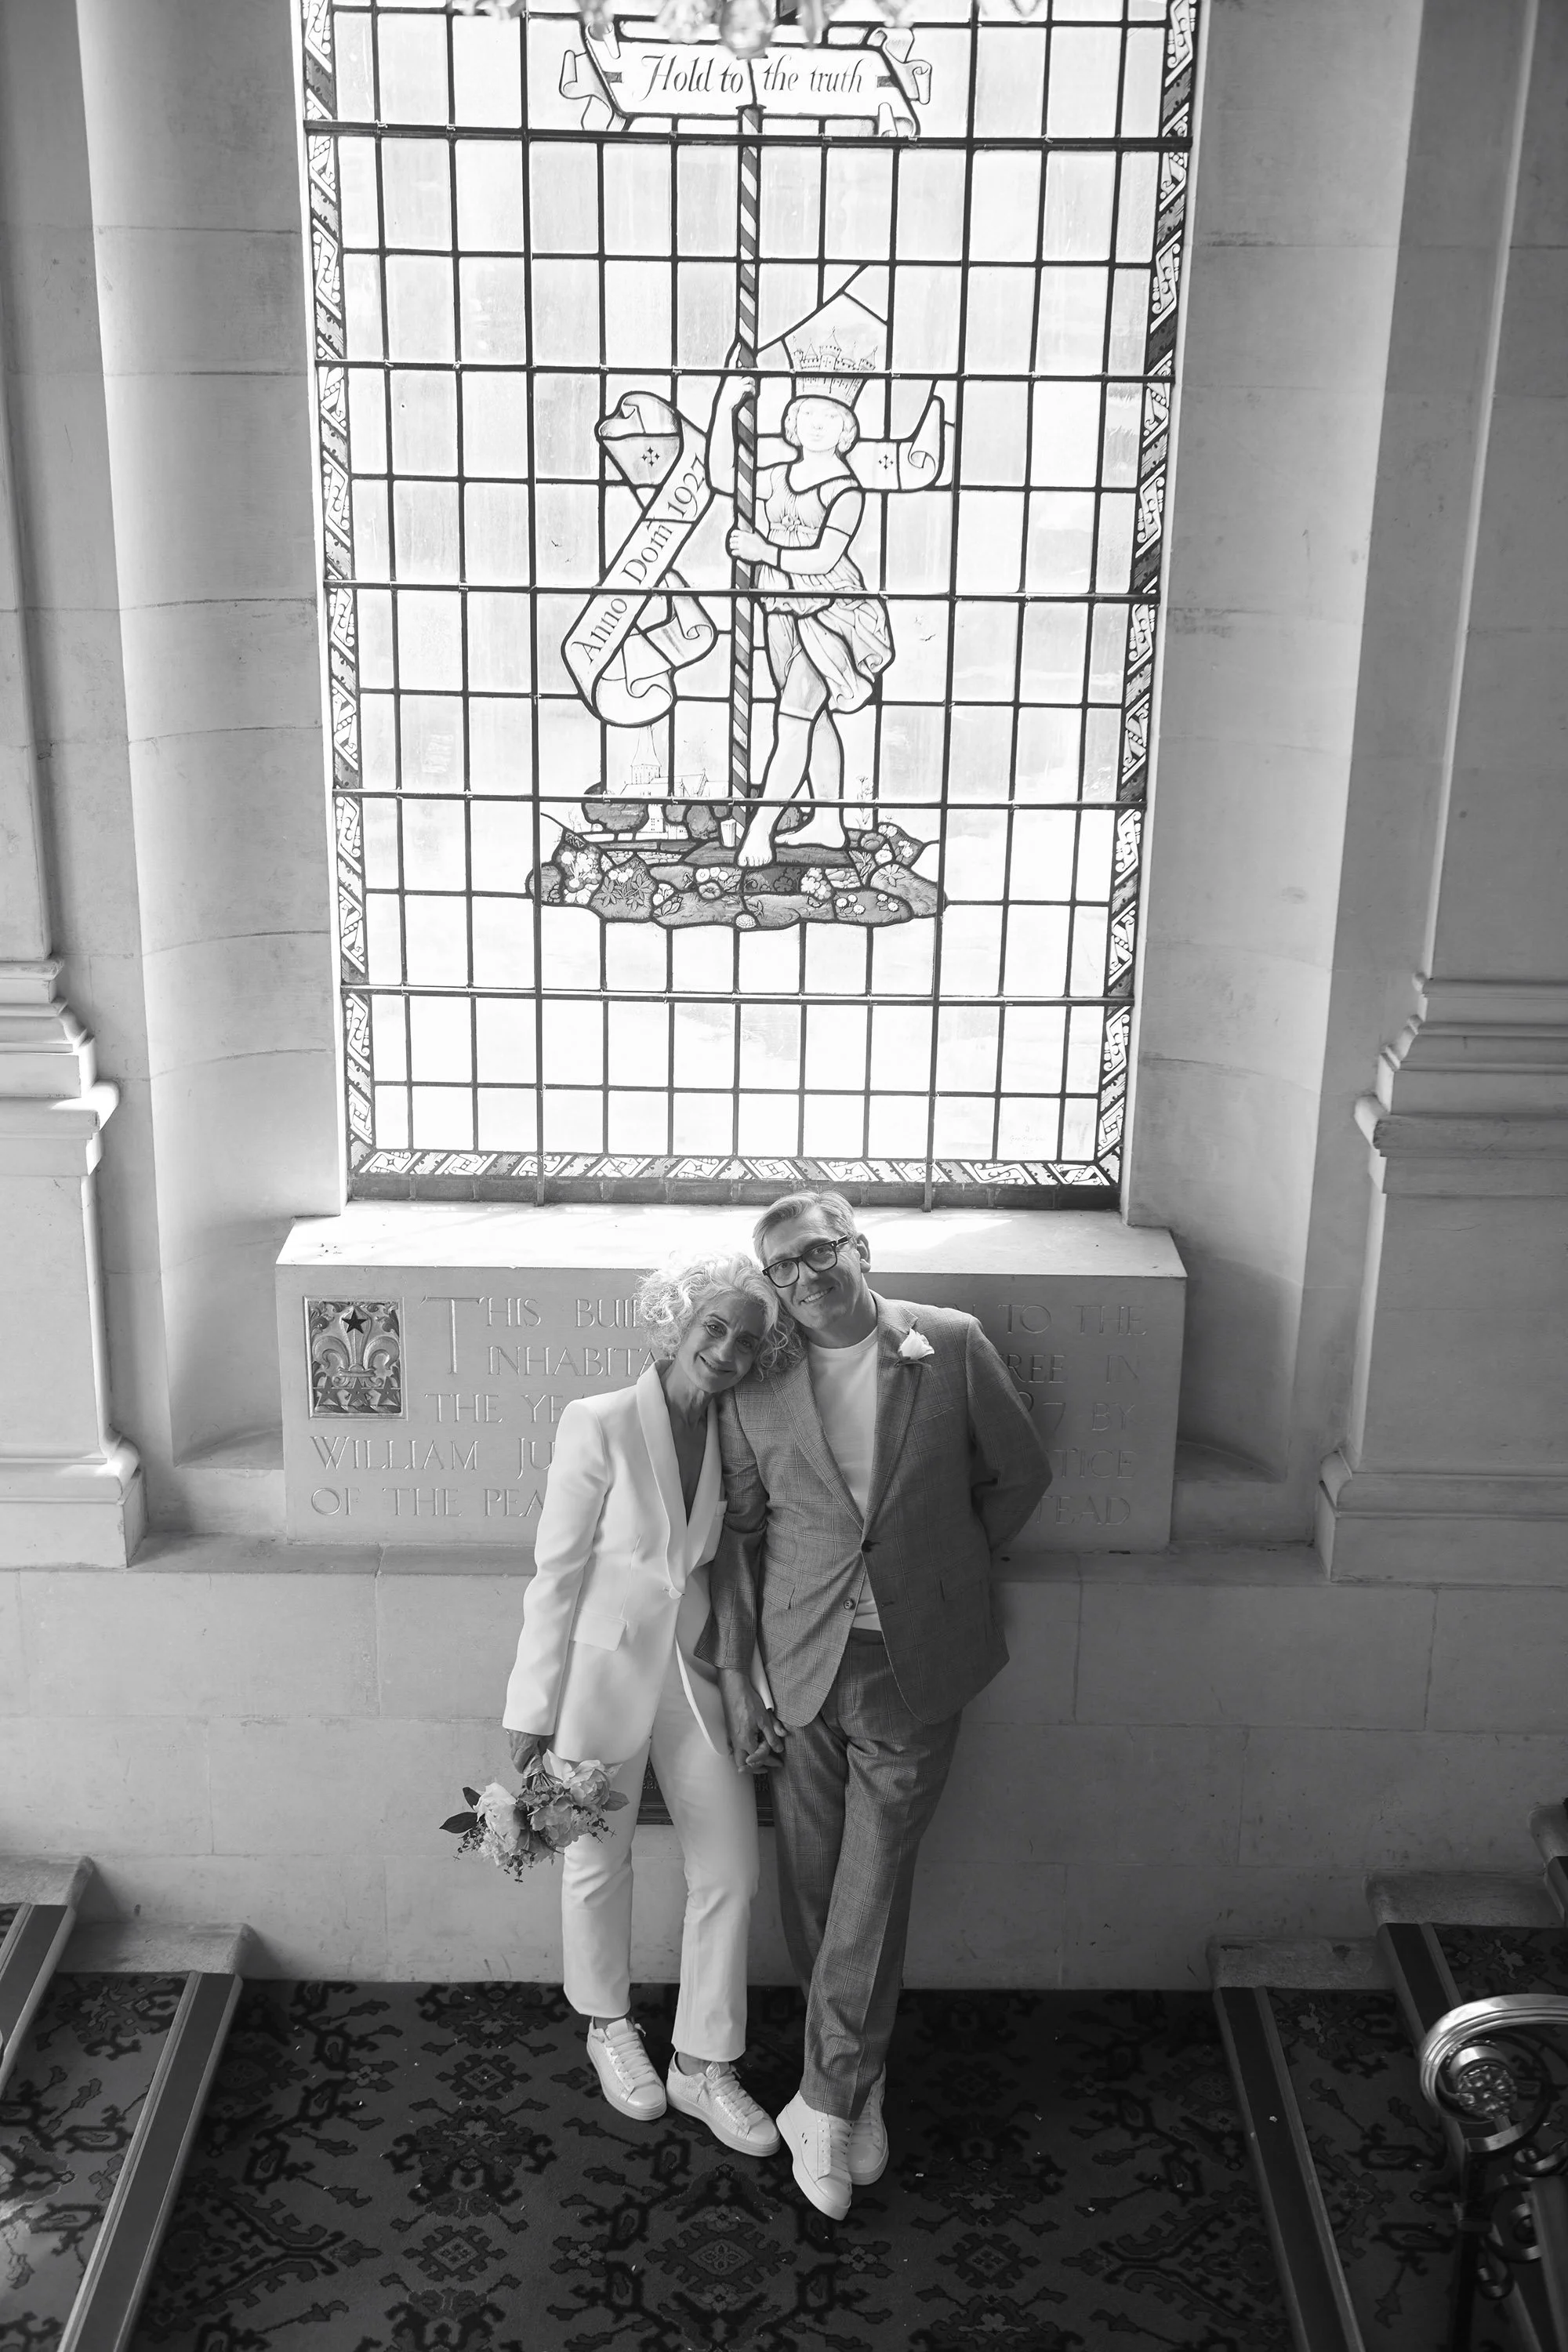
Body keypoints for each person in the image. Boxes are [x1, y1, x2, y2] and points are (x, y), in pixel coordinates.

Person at [699, 1191, 1051, 2217]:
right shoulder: (758, 1385)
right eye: (780, 1269)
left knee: (875, 1875)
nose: (802, 1279)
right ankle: (861, 2075)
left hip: (914, 1660)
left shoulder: (947, 1344)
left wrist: (947, 1568)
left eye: (815, 1253)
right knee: (816, 1884)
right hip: (800, 1661)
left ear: (857, 1247)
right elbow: (740, 1533)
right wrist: (739, 1677)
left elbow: (1020, 1473)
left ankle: (823, 2101)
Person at [502, 1254, 786, 2157]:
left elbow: (726, 1564)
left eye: (746, 1339)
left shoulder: (738, 1428)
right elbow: (557, 1572)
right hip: (596, 1679)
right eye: (714, 1327)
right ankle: (605, 2024)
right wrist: (532, 1701)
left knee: (732, 1871)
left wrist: (751, 1686)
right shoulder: (600, 1422)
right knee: (593, 1862)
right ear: (676, 1320)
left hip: (695, 1679)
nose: (727, 1350)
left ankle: (702, 2064)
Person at [725, 392, 894, 869]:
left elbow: (824, 558)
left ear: (846, 428)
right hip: (778, 605)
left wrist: (764, 552)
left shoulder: (845, 490)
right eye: (807, 414)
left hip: (828, 612)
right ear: (793, 422)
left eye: (830, 416)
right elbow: (725, 479)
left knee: (793, 719)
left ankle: (760, 831)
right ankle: (829, 822)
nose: (817, 424)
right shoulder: (773, 477)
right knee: (814, 718)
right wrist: (728, 404)